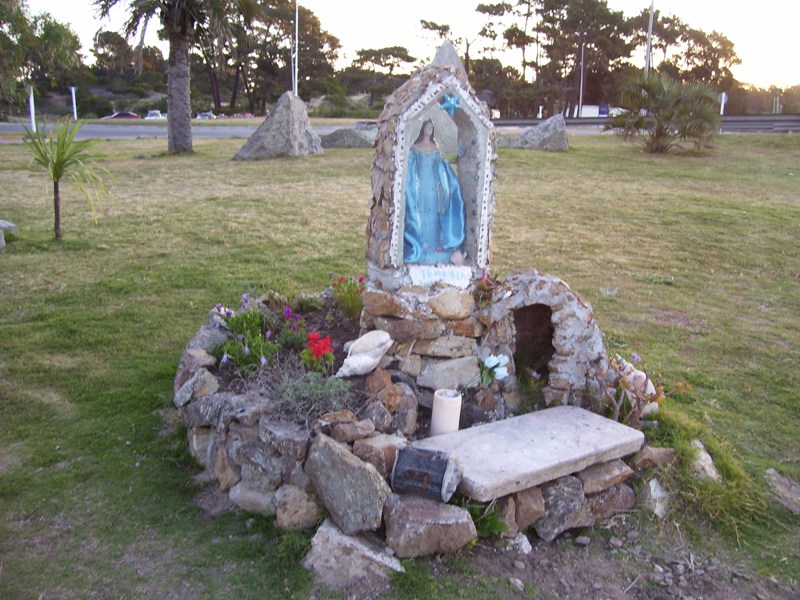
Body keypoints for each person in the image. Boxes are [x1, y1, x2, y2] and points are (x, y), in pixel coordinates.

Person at [403, 119, 466, 264]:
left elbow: (440, 165)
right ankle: (420, 241)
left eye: (431, 127)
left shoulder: (435, 148)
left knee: (433, 211)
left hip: (433, 185)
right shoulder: (415, 148)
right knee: (420, 210)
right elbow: (411, 163)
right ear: (422, 129)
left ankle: (434, 241)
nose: (429, 130)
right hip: (420, 185)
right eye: (427, 127)